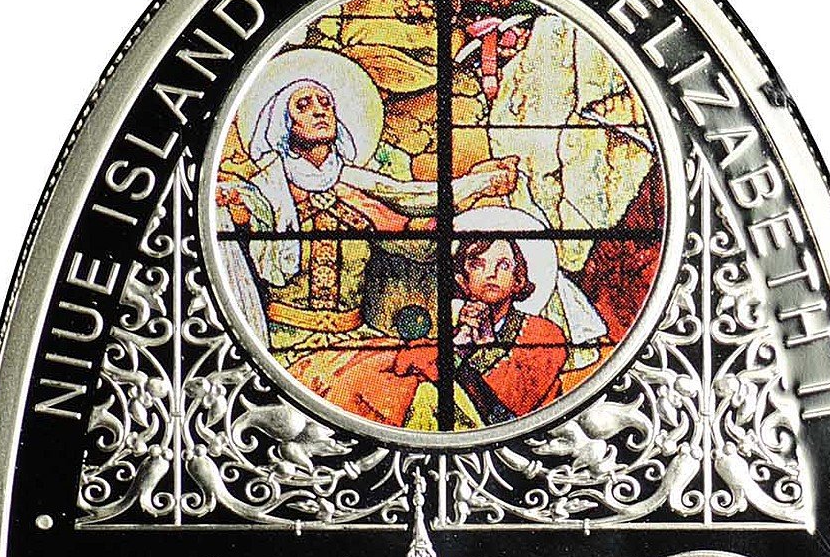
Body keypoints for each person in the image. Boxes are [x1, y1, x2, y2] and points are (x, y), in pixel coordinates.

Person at [216, 78, 517, 373]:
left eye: (326, 103)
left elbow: (414, 225)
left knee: (415, 382)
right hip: (285, 342)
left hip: (356, 340)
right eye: (303, 106)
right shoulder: (265, 191)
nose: (320, 111)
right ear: (283, 125)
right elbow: (238, 233)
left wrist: (476, 185)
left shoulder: (358, 186)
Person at [450, 235, 567, 423]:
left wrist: (487, 344)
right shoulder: (450, 335)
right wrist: (458, 347)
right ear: (462, 280)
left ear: (518, 280)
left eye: (504, 265)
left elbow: (520, 404)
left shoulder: (545, 335)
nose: (491, 273)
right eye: (477, 265)